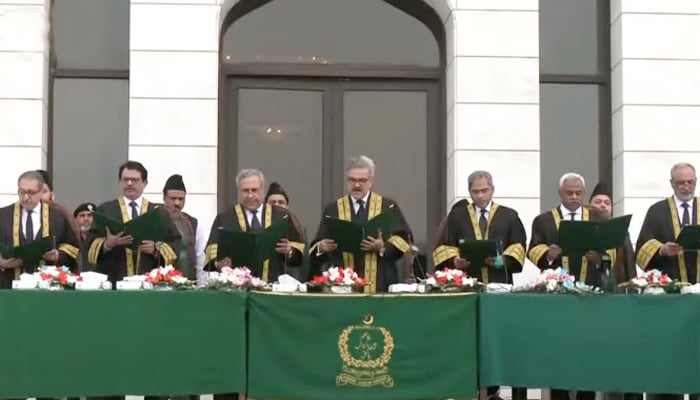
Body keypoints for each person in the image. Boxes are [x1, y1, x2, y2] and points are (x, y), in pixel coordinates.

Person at [433, 170, 527, 400]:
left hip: (498, 287)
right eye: (475, 192)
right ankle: (469, 389)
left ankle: (494, 391)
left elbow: (519, 247)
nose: (480, 196)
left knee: (496, 340)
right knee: (469, 338)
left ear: (492, 190)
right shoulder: (456, 218)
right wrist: (455, 260)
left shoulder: (509, 216)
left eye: (484, 190)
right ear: (469, 193)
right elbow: (442, 248)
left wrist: (502, 260)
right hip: (467, 289)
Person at [309, 155, 413, 293]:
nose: (357, 185)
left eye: (362, 180)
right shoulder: (333, 209)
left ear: (371, 181)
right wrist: (321, 247)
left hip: (380, 280)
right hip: (342, 283)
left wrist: (382, 246)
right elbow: (316, 247)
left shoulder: (387, 207)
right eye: (352, 180)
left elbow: (404, 240)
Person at [86, 161, 182, 286]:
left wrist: (155, 249)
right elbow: (88, 246)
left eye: (135, 180)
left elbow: (176, 244)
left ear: (145, 183)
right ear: (120, 182)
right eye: (126, 179)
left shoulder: (158, 212)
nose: (130, 183)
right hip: (114, 281)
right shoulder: (105, 209)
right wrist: (108, 244)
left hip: (150, 283)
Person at [204, 169, 305, 282]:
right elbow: (211, 250)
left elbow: (299, 250)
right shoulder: (225, 218)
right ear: (239, 191)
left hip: (272, 285)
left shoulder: (281, 216)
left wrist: (290, 251)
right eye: (245, 191)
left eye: (254, 190)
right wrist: (218, 264)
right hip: (236, 288)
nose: (250, 195)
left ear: (262, 191)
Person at [0, 171, 79, 288]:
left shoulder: (57, 216)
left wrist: (58, 255)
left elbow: (72, 246)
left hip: (47, 286)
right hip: (9, 283)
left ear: (41, 191)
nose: (26, 197)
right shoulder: (3, 215)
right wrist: (2, 262)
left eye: (31, 192)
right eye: (22, 192)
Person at [637, 162, 700, 284]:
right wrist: (660, 250)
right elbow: (641, 249)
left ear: (696, 181)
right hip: (670, 287)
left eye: (690, 182)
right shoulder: (657, 211)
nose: (686, 186)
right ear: (672, 183)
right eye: (681, 182)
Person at [162, 174, 206, 283]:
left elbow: (201, 260)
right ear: (164, 198)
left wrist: (202, 287)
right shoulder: (154, 220)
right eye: (173, 199)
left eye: (181, 199)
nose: (177, 203)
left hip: (188, 287)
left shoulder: (195, 224)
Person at [73, 202, 97, 271]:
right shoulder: (70, 237)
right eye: (82, 216)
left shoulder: (101, 236)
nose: (86, 219)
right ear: (75, 219)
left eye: (89, 215)